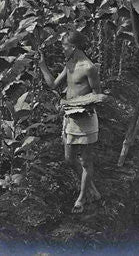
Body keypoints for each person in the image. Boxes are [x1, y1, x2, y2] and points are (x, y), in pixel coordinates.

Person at [37, 31, 102, 214]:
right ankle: (92, 190)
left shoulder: (88, 67)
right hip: (70, 118)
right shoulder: (69, 64)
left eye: (64, 46)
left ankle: (82, 198)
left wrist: (80, 104)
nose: (62, 49)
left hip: (86, 118)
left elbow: (97, 95)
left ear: (73, 47)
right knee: (69, 159)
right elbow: (53, 84)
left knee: (87, 160)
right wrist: (42, 65)